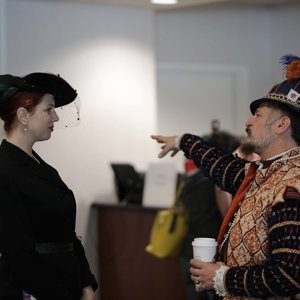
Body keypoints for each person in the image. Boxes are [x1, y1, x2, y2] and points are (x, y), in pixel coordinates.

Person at [151, 54, 300, 299]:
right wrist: (183, 141)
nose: (248, 121)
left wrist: (222, 277)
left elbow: (288, 275)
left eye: (259, 115)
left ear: (281, 125)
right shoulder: (264, 173)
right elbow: (224, 167)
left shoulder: (291, 187)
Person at [0, 73, 98, 300]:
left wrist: (86, 283)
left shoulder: (43, 168)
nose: (54, 118)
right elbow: (19, 254)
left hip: (66, 283)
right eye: (48, 109)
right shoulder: (4, 171)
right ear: (24, 115)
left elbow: (66, 235)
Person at [180, 130, 241, 300]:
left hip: (189, 252)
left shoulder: (190, 180)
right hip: (212, 256)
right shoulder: (221, 183)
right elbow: (230, 217)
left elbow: (183, 208)